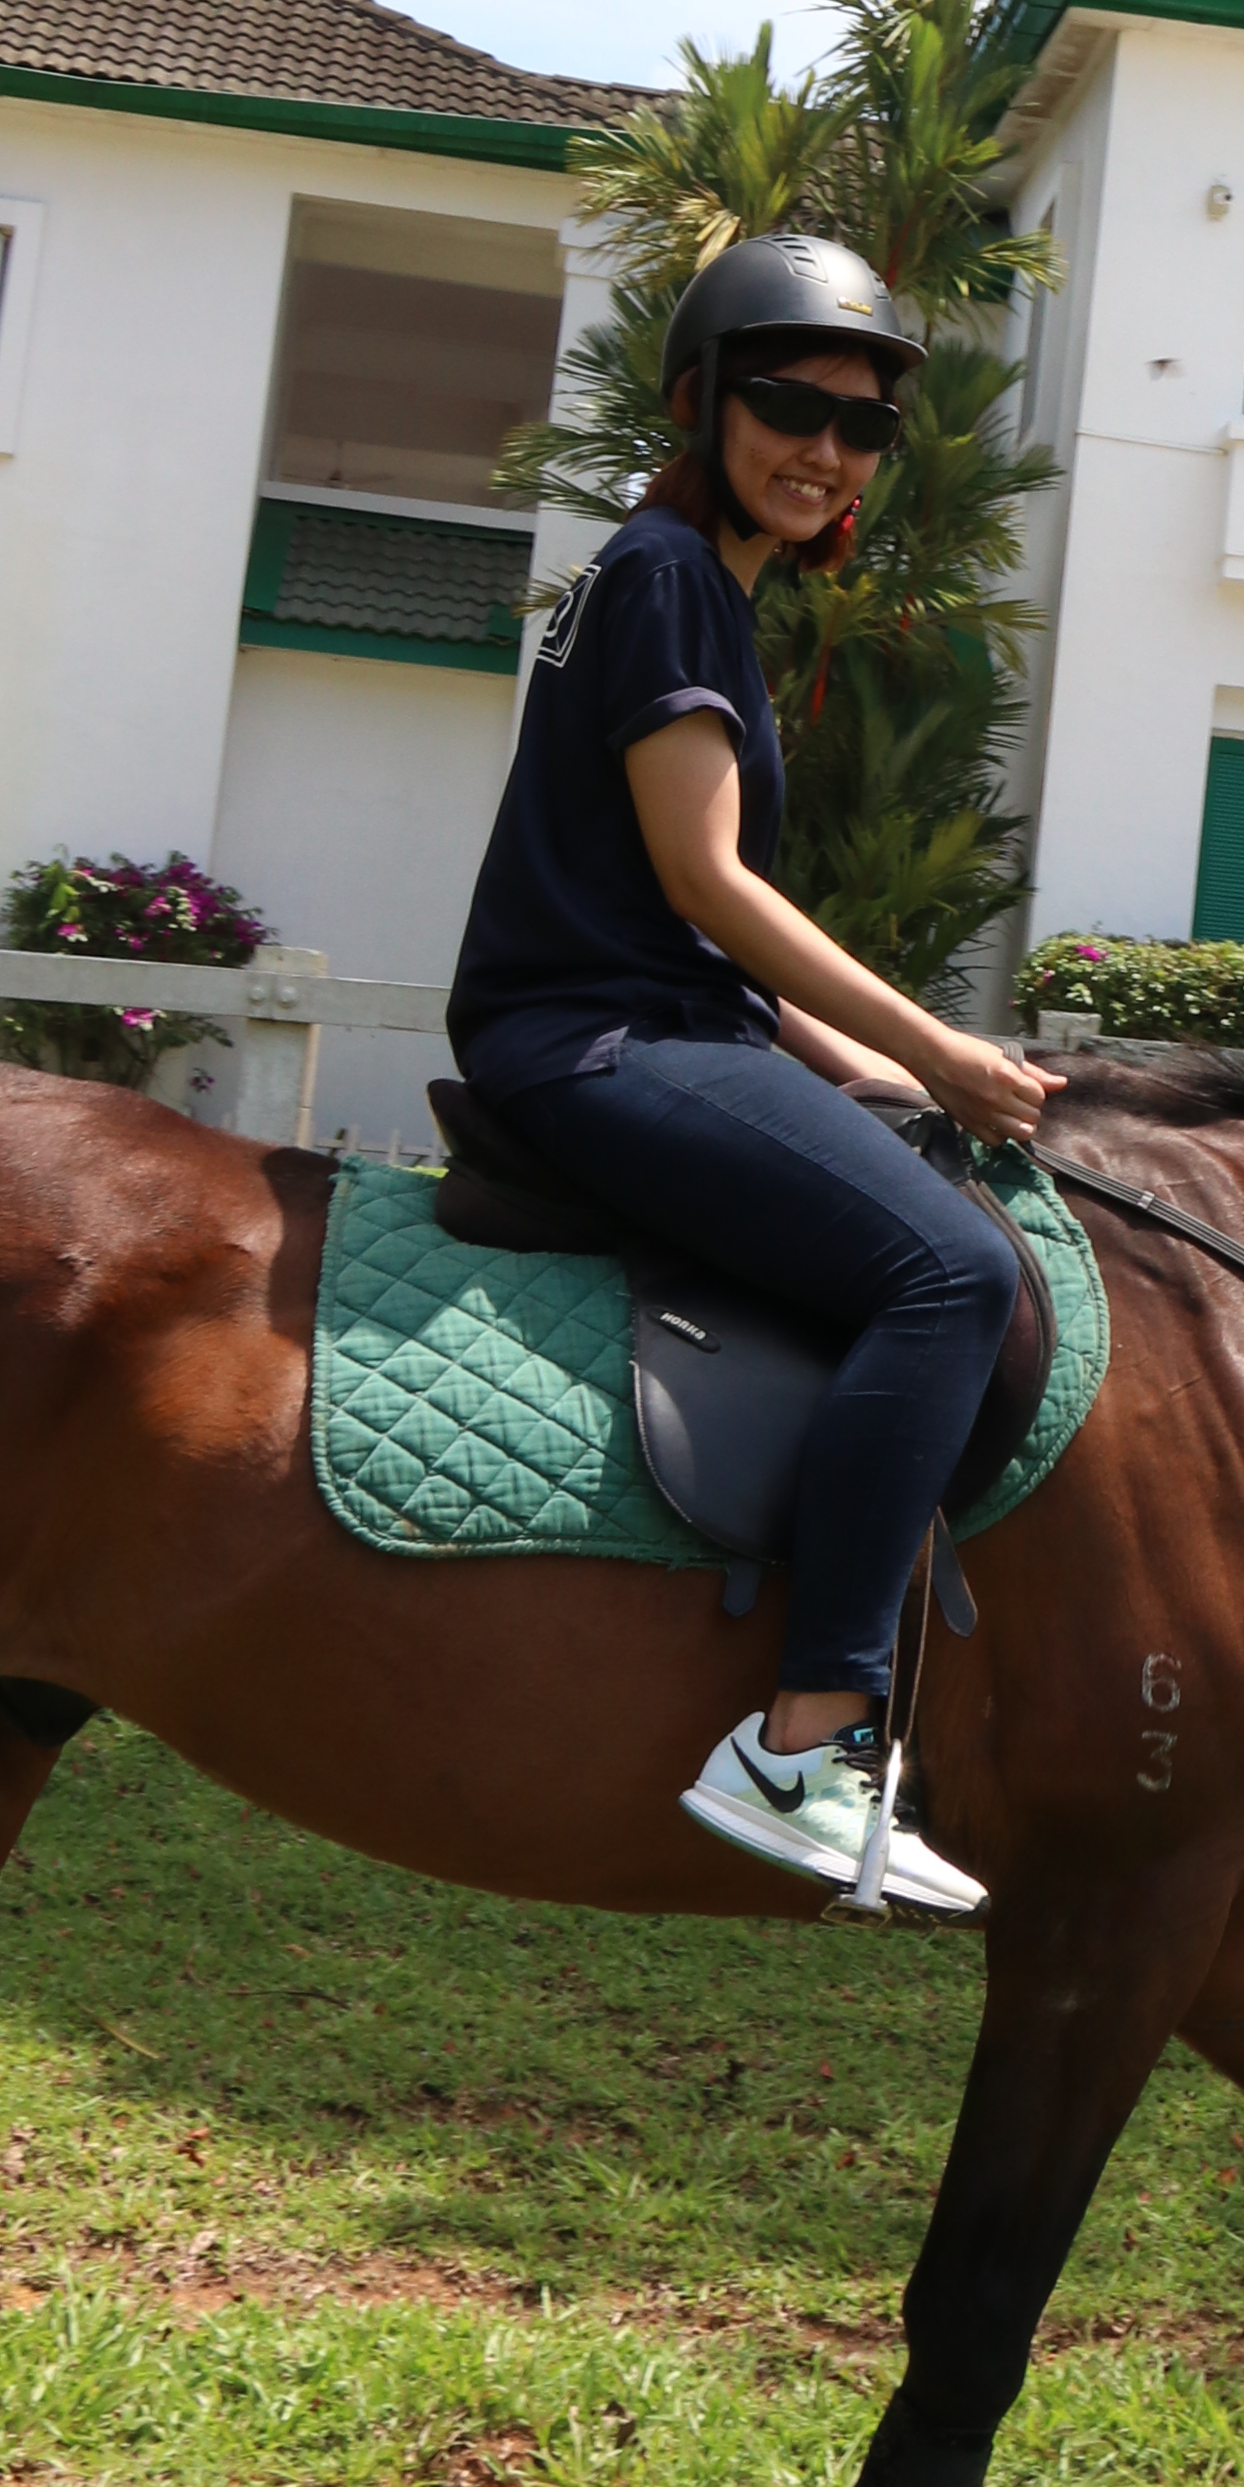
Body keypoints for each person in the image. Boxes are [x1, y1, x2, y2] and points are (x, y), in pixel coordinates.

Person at [444, 228, 1053, 1921]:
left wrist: (890, 1079)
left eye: (861, 429)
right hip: (594, 1043)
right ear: (703, 404)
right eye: (788, 406)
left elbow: (691, 934)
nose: (825, 450)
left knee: (934, 1192)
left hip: (655, 1018)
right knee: (950, 1273)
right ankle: (804, 1737)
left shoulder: (685, 585)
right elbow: (710, 886)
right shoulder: (667, 579)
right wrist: (941, 1043)